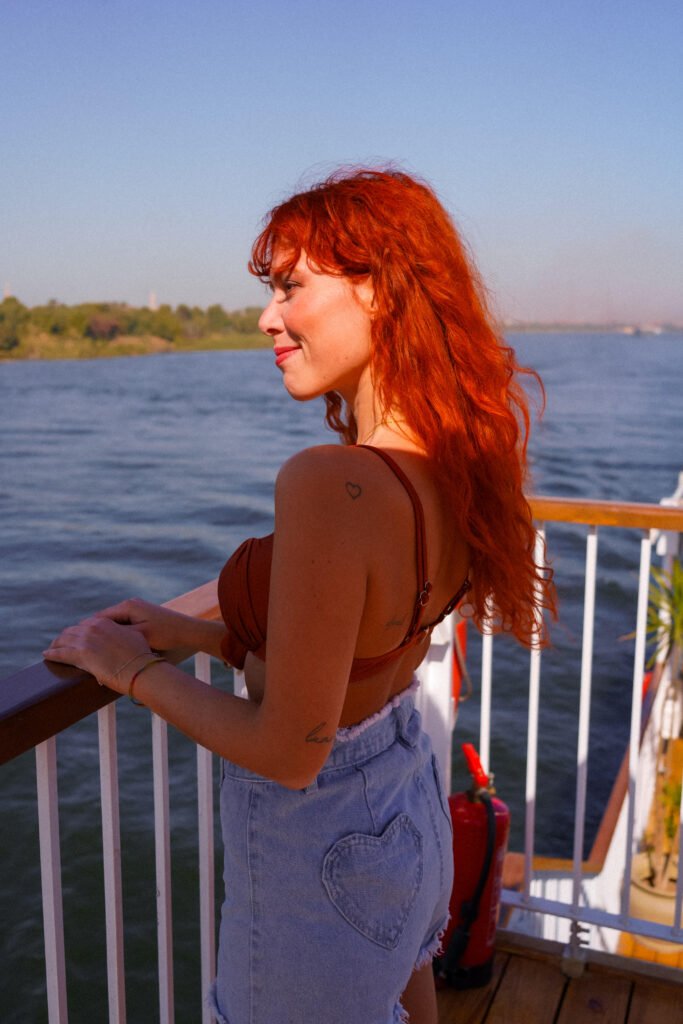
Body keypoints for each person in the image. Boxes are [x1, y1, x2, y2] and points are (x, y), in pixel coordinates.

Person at [43, 167, 555, 1024]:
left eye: (290, 288)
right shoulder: (451, 463)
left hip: (321, 851)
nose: (266, 318)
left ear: (381, 290)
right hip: (403, 798)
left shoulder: (331, 483)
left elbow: (291, 751)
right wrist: (195, 635)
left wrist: (127, 668)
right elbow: (359, 651)